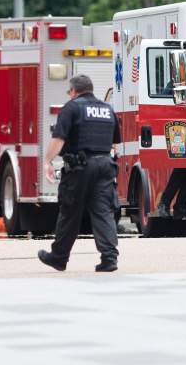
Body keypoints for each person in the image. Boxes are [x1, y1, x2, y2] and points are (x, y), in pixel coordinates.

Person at [38, 75, 121, 272]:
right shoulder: (107, 109)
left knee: (70, 212)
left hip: (80, 168)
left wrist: (48, 161)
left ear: (74, 91)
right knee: (103, 211)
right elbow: (115, 143)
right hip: (105, 165)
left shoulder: (72, 107)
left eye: (69, 92)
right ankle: (109, 259)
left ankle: (58, 257)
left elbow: (58, 139)